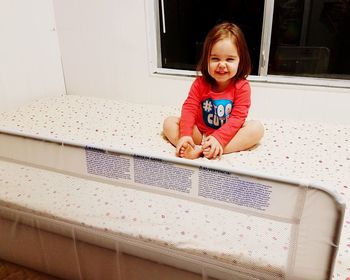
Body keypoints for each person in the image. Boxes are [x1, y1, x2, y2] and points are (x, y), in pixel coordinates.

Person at [163, 22, 264, 160]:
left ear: (240, 61)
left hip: (228, 136)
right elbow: (189, 108)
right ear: (206, 60)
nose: (222, 64)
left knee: (257, 129)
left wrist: (219, 138)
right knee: (169, 123)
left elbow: (238, 118)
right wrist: (186, 135)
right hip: (200, 133)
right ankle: (190, 146)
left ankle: (210, 150)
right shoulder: (200, 83)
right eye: (215, 58)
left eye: (230, 59)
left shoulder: (242, 86)